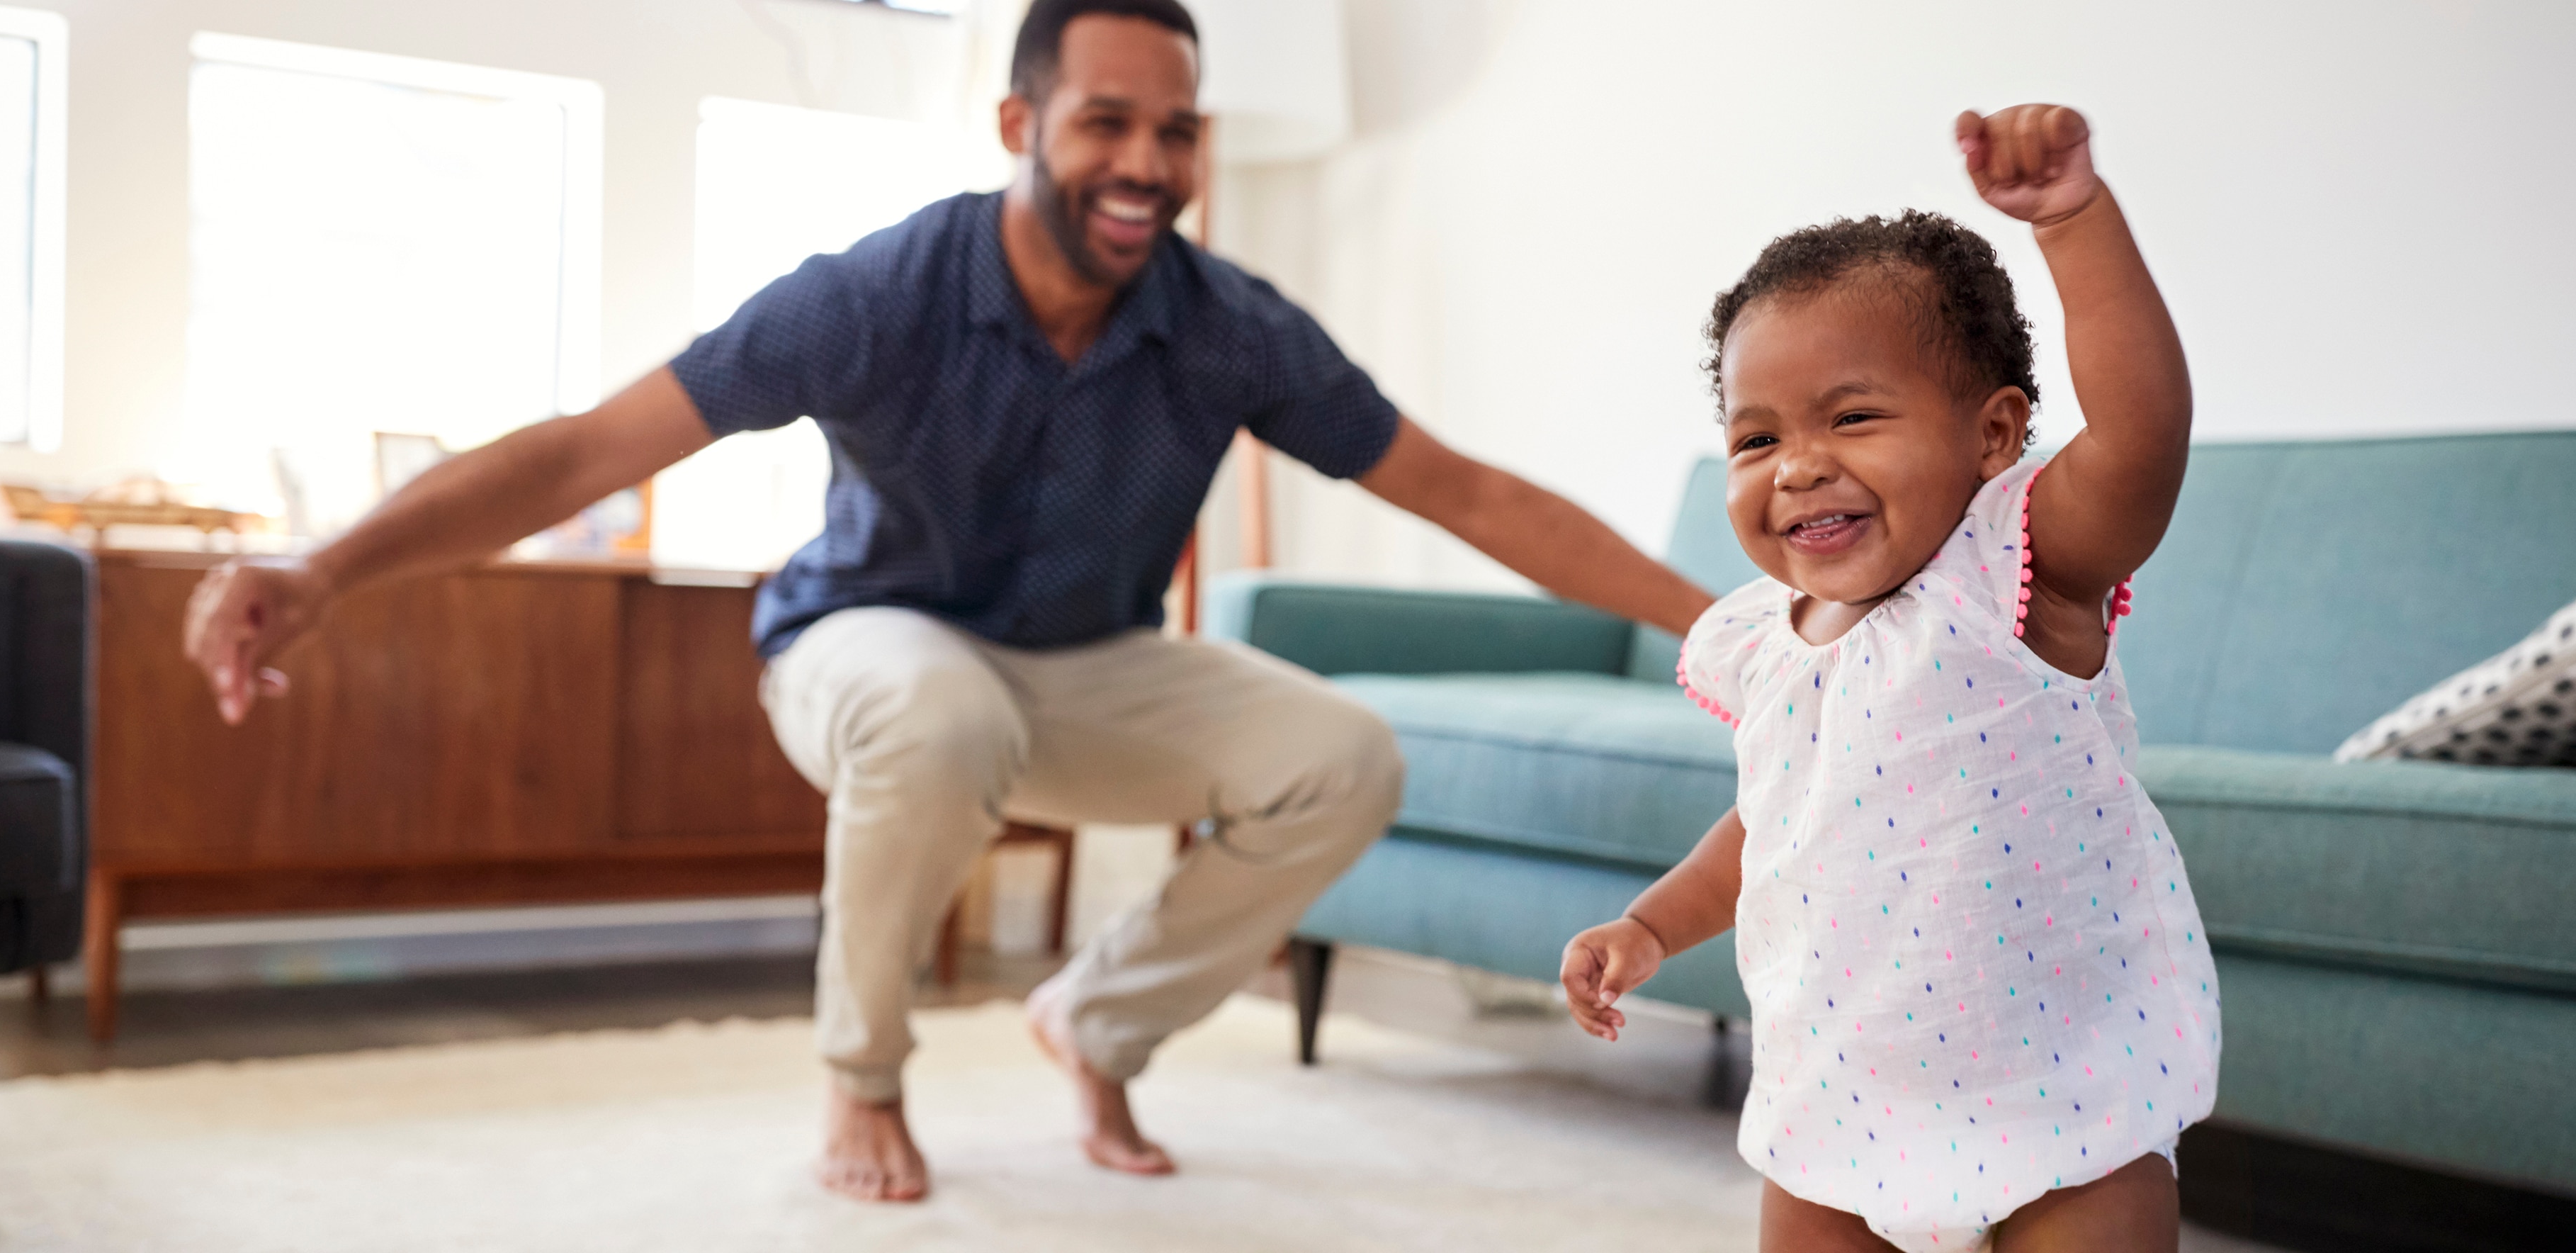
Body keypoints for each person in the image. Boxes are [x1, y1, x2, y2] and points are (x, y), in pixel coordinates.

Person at [182, 0, 1712, 1207]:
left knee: (1345, 750)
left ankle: (1096, 1022)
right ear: (1018, 123)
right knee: (933, 700)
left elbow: (1468, 493)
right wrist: (324, 569)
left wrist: (1727, 628)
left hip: (1088, 666)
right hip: (862, 654)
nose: (1146, 164)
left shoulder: (1226, 325)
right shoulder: (874, 293)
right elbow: (588, 446)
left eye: (1175, 132)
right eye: (1106, 121)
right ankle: (864, 1069)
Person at [1557, 105, 2218, 1252]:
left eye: (1852, 417)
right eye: (1756, 440)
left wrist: (2072, 225)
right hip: (1840, 1090)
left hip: (2058, 1095)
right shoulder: (1766, 638)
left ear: (1994, 435)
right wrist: (1654, 925)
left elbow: (2144, 437)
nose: (1801, 463)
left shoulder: (2016, 575)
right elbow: (1776, 824)